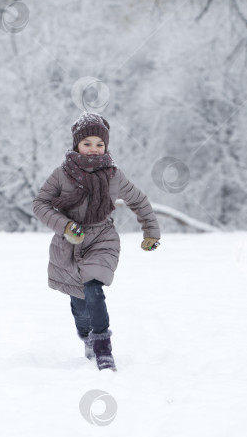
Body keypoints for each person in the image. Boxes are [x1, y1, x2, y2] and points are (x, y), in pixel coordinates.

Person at [32, 112, 161, 371]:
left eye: (99, 144)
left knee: (93, 288)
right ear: (76, 145)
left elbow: (139, 201)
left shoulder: (114, 175)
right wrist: (65, 226)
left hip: (102, 238)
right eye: (87, 143)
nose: (93, 149)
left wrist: (151, 232)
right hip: (68, 243)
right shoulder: (62, 174)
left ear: (106, 146)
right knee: (79, 304)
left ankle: (104, 351)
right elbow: (40, 204)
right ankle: (87, 338)